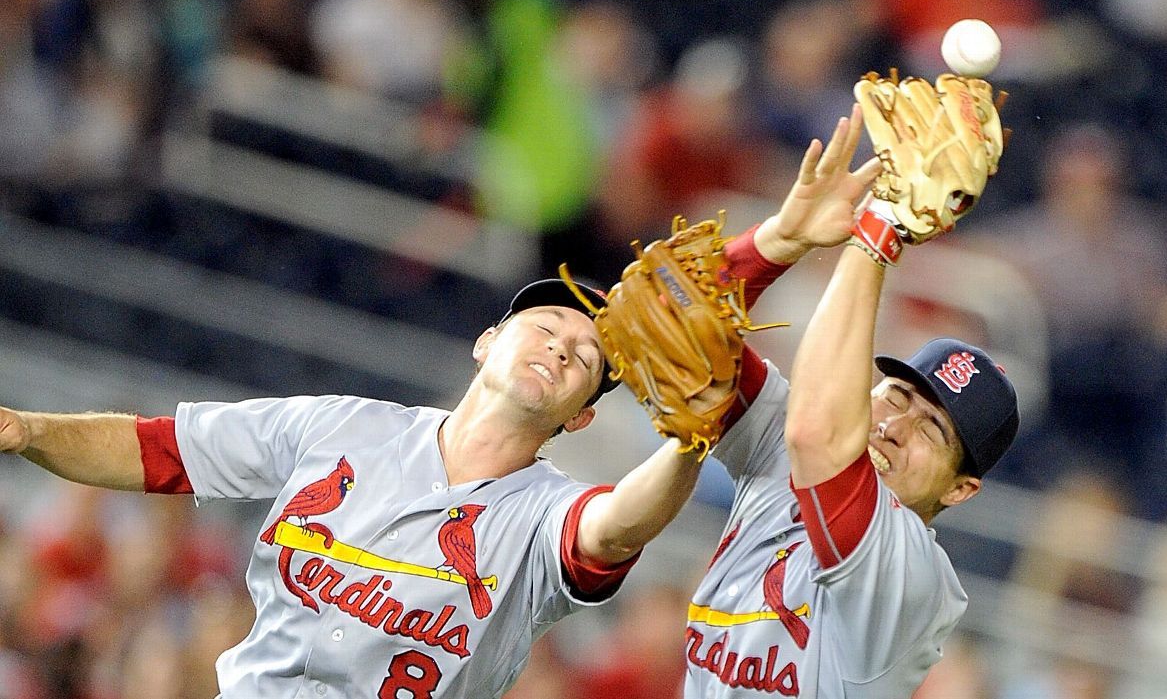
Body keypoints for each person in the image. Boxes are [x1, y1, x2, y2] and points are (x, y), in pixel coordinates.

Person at [0, 105, 875, 697]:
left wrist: (690, 442)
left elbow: (617, 528)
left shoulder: (543, 517)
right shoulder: (339, 426)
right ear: (487, 341)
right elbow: (158, 452)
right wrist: (30, 427)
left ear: (579, 416)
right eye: (545, 327)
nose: (565, 345)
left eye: (583, 358)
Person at [682, 121, 1021, 695]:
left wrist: (879, 227)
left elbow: (818, 437)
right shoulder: (784, 449)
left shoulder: (913, 577)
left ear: (960, 488)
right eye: (896, 395)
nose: (893, 427)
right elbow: (676, 341)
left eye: (933, 429)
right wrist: (776, 243)